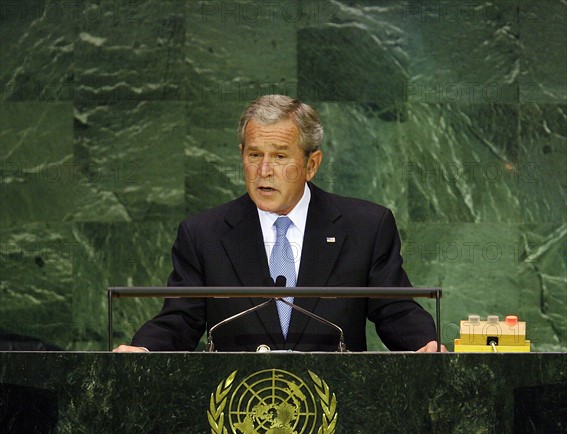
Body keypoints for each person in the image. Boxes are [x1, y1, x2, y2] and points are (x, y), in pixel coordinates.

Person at [114, 95, 446, 353]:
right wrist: (144, 348)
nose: (264, 171)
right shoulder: (204, 234)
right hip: (237, 414)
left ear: (311, 164)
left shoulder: (365, 227)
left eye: (280, 156)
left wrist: (424, 344)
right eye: (254, 155)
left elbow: (396, 310)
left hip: (337, 407)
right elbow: (179, 319)